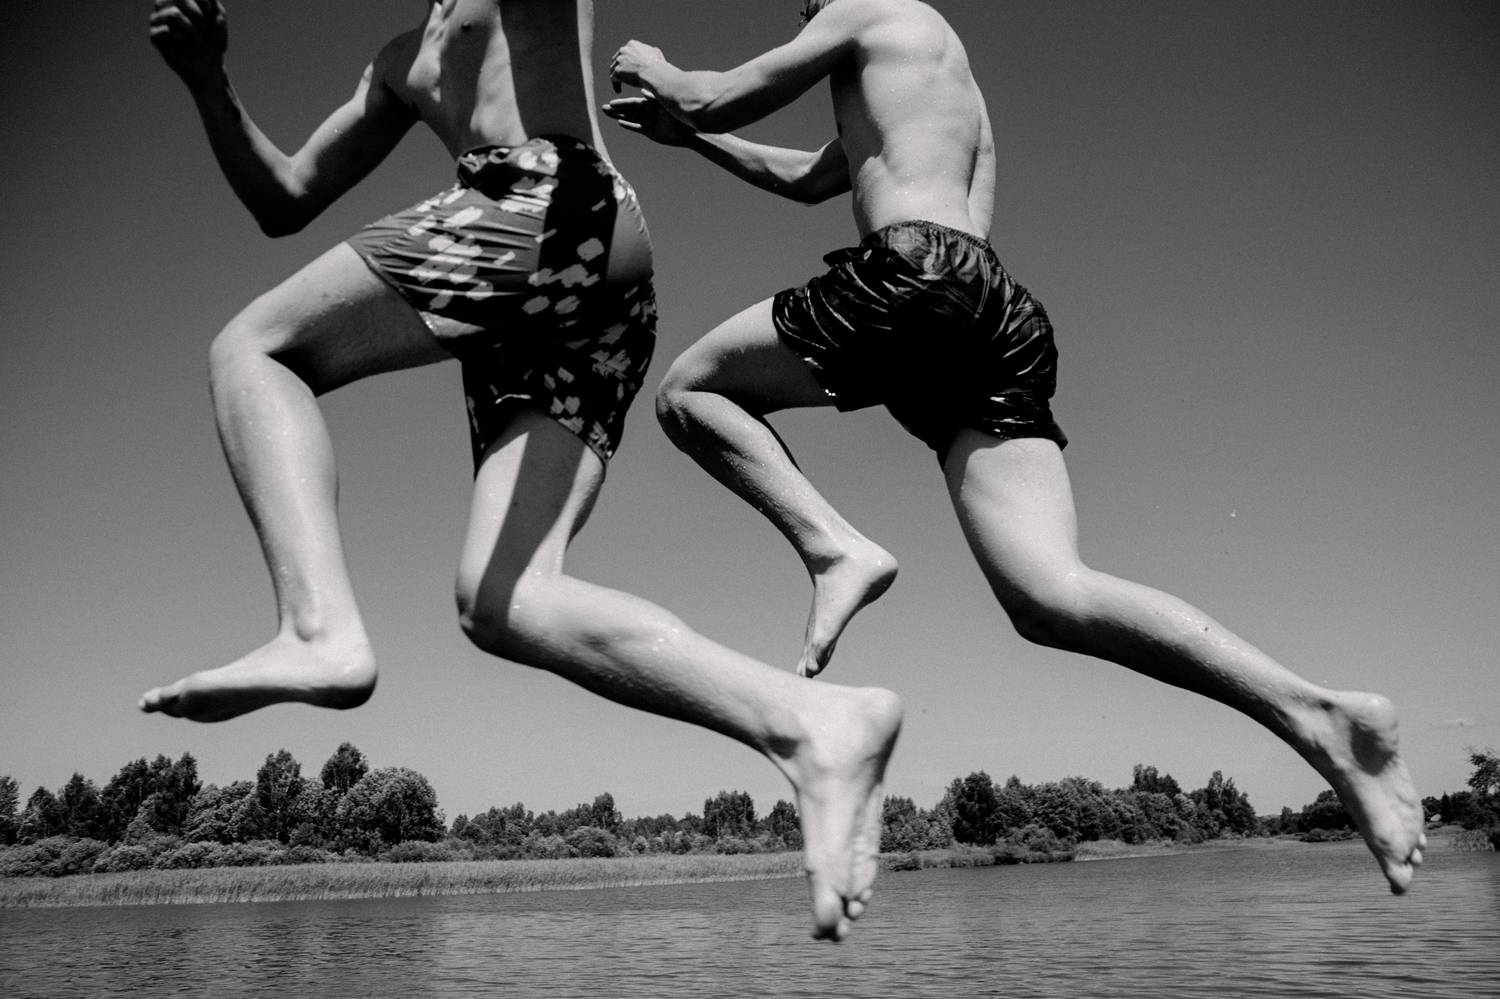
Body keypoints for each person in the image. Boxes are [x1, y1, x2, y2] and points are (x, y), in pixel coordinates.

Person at [604, 0, 1425, 893]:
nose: (806, 9)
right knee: (1051, 595)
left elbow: (715, 93)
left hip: (915, 275)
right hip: (990, 312)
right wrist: (694, 140)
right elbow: (807, 177)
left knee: (689, 392)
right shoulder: (933, 79)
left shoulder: (870, 11)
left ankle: (833, 547)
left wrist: (657, 70)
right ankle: (1318, 716)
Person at [142, 0, 900, 941]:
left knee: (252, 348)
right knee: (504, 599)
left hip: (545, 205)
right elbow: (283, 197)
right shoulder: (398, 62)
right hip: (574, 290)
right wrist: (208, 81)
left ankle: (315, 626)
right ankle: (811, 723)